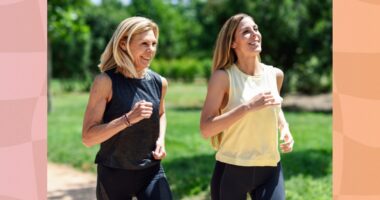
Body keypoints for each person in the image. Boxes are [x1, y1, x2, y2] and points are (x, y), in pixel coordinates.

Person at [200, 13, 294, 200]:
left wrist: (285, 128)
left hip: (270, 167)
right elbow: (206, 129)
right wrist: (247, 107)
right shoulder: (223, 77)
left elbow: (274, 106)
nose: (255, 34)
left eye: (256, 29)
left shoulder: (275, 75)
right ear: (233, 43)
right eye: (246, 32)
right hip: (232, 169)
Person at [82, 16, 173, 200]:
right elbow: (88, 137)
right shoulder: (105, 82)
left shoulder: (159, 82)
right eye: (144, 44)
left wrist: (161, 140)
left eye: (154, 43)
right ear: (123, 44)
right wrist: (128, 118)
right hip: (114, 174)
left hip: (151, 170)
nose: (151, 50)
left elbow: (161, 114)